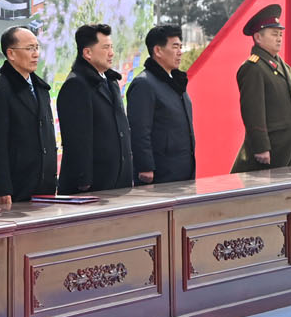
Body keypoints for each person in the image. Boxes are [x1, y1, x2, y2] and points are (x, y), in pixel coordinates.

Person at [0, 26, 57, 208]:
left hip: (44, 189)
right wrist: (1, 189)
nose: (35, 54)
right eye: (29, 49)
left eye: (37, 48)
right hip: (14, 191)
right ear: (11, 53)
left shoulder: (40, 89)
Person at [56, 23, 133, 193]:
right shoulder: (76, 84)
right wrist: (83, 180)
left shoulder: (110, 80)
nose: (111, 53)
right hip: (92, 185)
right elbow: (77, 139)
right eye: (105, 48)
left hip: (119, 181)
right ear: (87, 53)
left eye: (112, 47)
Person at [231, 4, 291, 173]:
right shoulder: (254, 68)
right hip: (271, 150)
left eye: (280, 34)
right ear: (258, 37)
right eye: (274, 34)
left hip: (289, 149)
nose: (279, 38)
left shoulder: (282, 66)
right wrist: (261, 146)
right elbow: (253, 111)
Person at [126, 24, 196, 184]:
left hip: (184, 169)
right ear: (158, 50)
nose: (180, 52)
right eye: (175, 47)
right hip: (161, 172)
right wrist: (145, 166)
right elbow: (139, 129)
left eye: (181, 47)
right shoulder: (144, 84)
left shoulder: (176, 82)